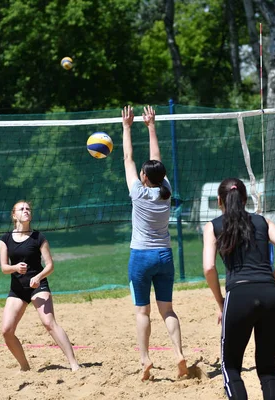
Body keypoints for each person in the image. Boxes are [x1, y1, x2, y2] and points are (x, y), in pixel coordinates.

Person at [202, 178, 275, 400]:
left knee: (231, 368)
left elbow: (209, 267)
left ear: (219, 201)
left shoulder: (212, 226)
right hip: (270, 295)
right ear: (245, 199)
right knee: (268, 370)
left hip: (239, 296)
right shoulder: (263, 221)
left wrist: (220, 302)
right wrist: (274, 278)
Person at [121, 105, 188, 381]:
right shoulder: (167, 191)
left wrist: (127, 126)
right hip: (164, 256)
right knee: (167, 309)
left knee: (142, 311)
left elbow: (127, 157)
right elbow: (156, 159)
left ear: (144, 177)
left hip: (141, 257)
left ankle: (145, 358)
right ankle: (179, 354)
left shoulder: (137, 192)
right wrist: (151, 126)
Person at [0, 200, 80, 371]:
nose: (26, 211)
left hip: (38, 285)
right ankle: (25, 367)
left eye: (28, 208)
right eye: (22, 209)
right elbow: (4, 268)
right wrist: (15, 267)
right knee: (6, 330)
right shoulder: (5, 239)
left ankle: (74, 364)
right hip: (18, 289)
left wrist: (38, 276)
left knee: (49, 322)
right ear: (14, 215)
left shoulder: (39, 237)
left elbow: (50, 265)